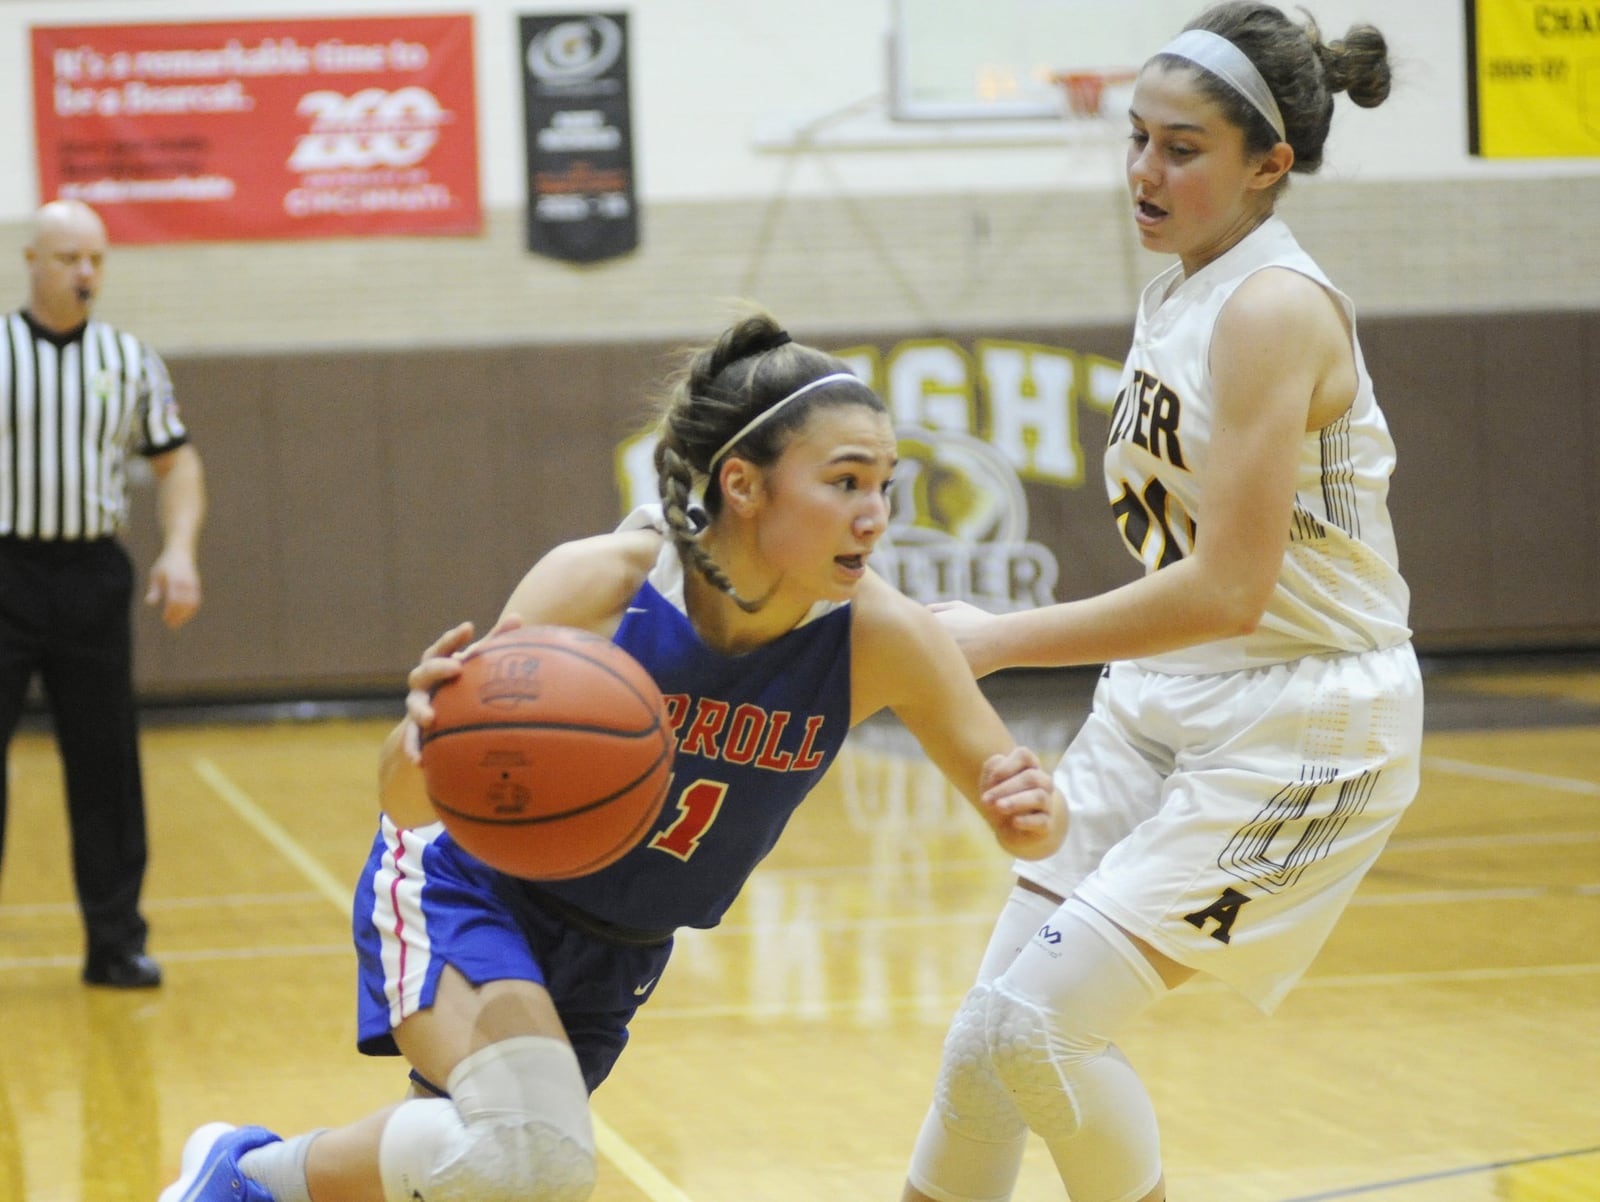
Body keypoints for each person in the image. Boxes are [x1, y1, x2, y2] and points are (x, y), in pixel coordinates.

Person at [158, 310, 1069, 1202]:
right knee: (531, 1156)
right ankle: (248, 1177)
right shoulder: (604, 584)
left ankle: (252, 1182)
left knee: (490, 1170)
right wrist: (424, 733)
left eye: (886, 487)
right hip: (469, 886)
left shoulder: (885, 637)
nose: (875, 517)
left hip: (621, 947)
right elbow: (406, 801)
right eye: (845, 483)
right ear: (744, 485)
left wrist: (1030, 811)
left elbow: (1028, 817)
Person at [900, 5, 1421, 1202]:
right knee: (988, 1040)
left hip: (1306, 725)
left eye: (1181, 149)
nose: (1142, 171)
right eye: (1135, 137)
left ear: (1268, 164)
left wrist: (992, 640)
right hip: (1170, 696)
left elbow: (1232, 589)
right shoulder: (1185, 285)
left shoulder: (1271, 307)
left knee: (1036, 1031)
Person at [0, 199, 207, 990]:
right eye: (68, 259)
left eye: (96, 260)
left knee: (106, 765)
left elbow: (177, 462)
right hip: (5, 571)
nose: (85, 273)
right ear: (32, 261)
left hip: (89, 576)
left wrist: (179, 550)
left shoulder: (128, 360)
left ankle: (115, 942)